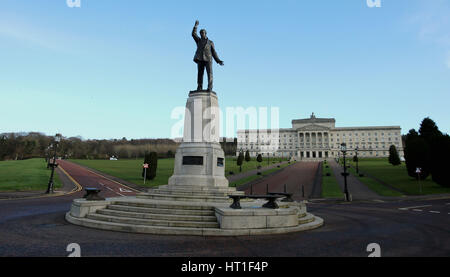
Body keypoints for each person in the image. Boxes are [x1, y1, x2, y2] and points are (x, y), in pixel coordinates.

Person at [192, 20, 224, 91]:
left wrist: (218, 60)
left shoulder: (210, 42)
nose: (201, 34)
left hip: (208, 59)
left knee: (209, 73)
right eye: (200, 33)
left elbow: (214, 52)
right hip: (200, 59)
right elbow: (193, 34)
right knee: (200, 74)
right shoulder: (198, 40)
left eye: (203, 33)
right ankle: (199, 87)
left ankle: (210, 87)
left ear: (205, 33)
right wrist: (196, 26)